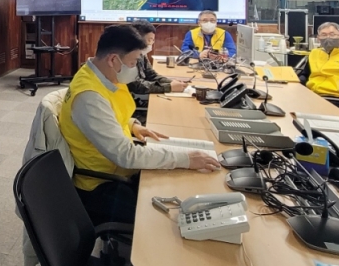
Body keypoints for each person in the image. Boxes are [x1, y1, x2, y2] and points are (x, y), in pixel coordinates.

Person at [59, 24, 221, 225]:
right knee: (167, 222)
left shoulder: (101, 75)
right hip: (101, 183)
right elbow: (126, 155)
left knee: (179, 185)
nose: (136, 67)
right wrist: (186, 159)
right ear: (113, 59)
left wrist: (133, 124)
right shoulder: (89, 97)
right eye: (134, 61)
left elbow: (109, 113)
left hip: (119, 168)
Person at [127, 20, 188, 95]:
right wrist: (169, 87)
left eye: (153, 40)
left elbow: (151, 75)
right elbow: (136, 86)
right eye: (149, 40)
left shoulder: (142, 53)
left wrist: (171, 82)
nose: (151, 43)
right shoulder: (127, 55)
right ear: (137, 39)